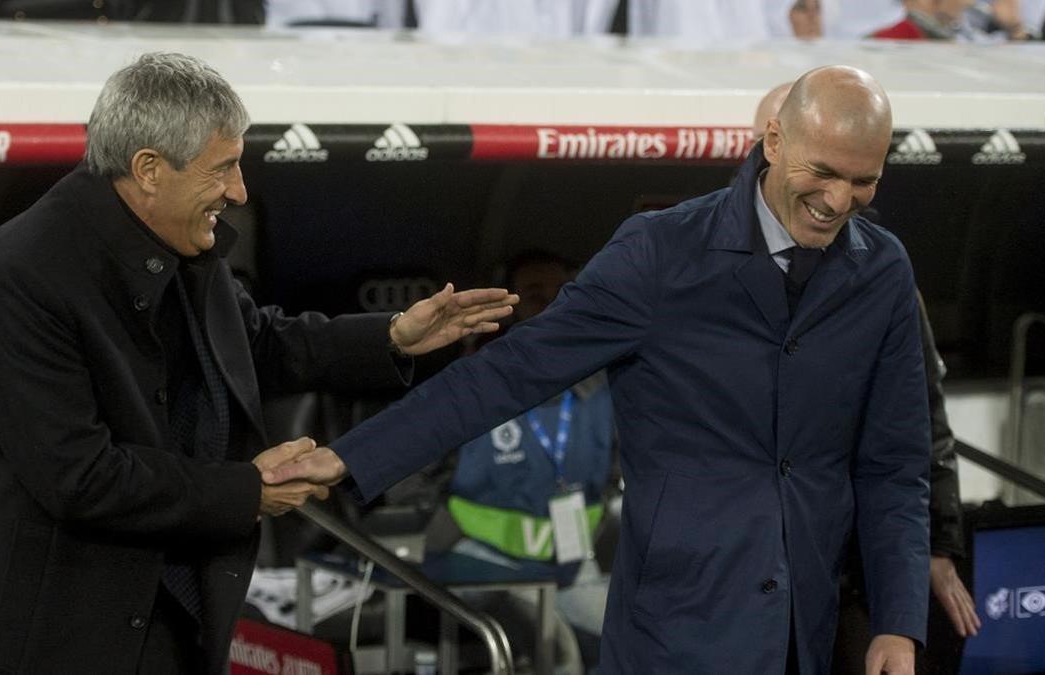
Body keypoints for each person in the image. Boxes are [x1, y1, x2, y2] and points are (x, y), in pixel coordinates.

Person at [267, 65, 932, 674]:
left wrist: (898, 623)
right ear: (774, 140)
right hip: (673, 634)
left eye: (864, 181)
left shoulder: (885, 269)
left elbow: (895, 464)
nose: (840, 201)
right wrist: (350, 457)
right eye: (824, 172)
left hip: (806, 636)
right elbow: (509, 372)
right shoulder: (659, 254)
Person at [0, 52, 516, 674]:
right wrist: (249, 490)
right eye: (223, 169)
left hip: (144, 622)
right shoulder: (24, 275)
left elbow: (257, 344)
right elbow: (79, 478)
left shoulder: (182, 247)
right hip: (20, 642)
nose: (239, 191)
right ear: (150, 168)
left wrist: (394, 336)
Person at [751, 79, 980, 673]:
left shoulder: (881, 274)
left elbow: (921, 424)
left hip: (851, 562)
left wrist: (934, 544)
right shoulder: (704, 260)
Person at [432, 250, 617, 673]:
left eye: (560, 294)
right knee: (559, 653)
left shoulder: (603, 382)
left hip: (572, 566)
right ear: (509, 303)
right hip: (483, 565)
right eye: (535, 294)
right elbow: (419, 468)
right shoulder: (475, 379)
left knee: (652, 636)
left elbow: (619, 466)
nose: (550, 304)